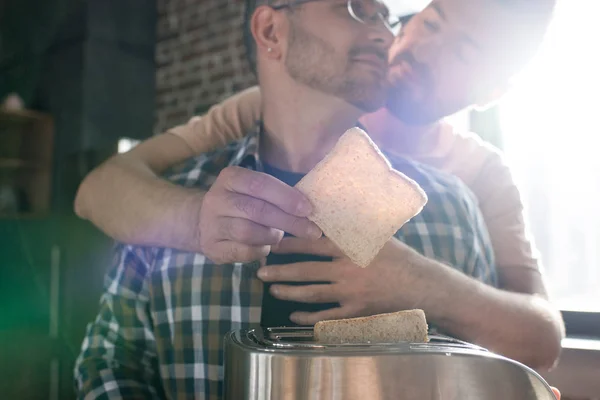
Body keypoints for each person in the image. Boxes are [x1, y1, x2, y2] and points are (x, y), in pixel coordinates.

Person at [74, 0, 561, 398]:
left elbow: (532, 339)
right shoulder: (247, 119)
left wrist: (416, 281)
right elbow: (103, 189)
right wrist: (193, 221)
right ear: (271, 33)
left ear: (490, 92)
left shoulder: (469, 191)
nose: (400, 43)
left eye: (465, 52)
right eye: (427, 22)